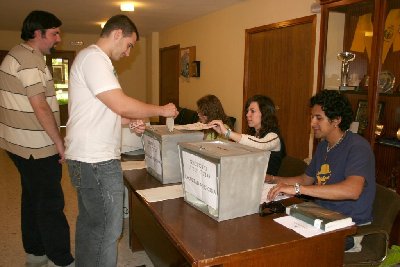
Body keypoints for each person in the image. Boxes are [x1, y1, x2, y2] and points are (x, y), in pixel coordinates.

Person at [64, 14, 178, 267]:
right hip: (96, 161)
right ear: (117, 34)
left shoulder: (93, 60)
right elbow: (120, 103)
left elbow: (104, 111)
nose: (128, 53)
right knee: (107, 230)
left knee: (91, 224)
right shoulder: (94, 58)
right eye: (129, 45)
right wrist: (161, 110)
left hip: (85, 157)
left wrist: (127, 121)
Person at [0, 10, 74, 267]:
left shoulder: (21, 55)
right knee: (50, 203)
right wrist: (59, 142)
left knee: (32, 197)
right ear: (37, 33)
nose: (58, 38)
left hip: (19, 144)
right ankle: (61, 260)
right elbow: (40, 106)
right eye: (54, 33)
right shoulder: (28, 59)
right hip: (34, 147)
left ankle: (35, 252)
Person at [266, 90, 376, 251]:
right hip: (320, 216)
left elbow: (352, 190)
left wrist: (297, 189)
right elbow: (306, 179)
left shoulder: (358, 147)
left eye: (319, 118)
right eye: (312, 117)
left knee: (291, 249)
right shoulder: (324, 145)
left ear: (336, 120)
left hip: (349, 226)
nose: (312, 123)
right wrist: (273, 179)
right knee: (274, 232)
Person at [209, 95, 286, 176]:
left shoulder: (274, 137)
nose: (247, 114)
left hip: (268, 184)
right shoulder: (254, 134)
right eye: (247, 111)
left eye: (252, 111)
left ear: (265, 113)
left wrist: (228, 133)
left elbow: (259, 145)